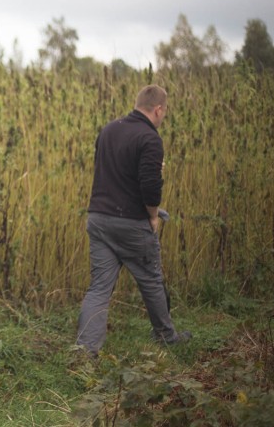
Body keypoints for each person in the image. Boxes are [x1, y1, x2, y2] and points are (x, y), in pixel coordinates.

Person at [76, 84, 190, 356]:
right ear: (158, 109)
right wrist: (153, 216)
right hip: (131, 224)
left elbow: (110, 168)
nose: (163, 118)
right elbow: (150, 188)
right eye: (165, 112)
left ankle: (85, 351)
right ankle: (166, 337)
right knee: (151, 279)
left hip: (99, 220)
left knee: (99, 288)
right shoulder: (150, 138)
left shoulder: (108, 130)